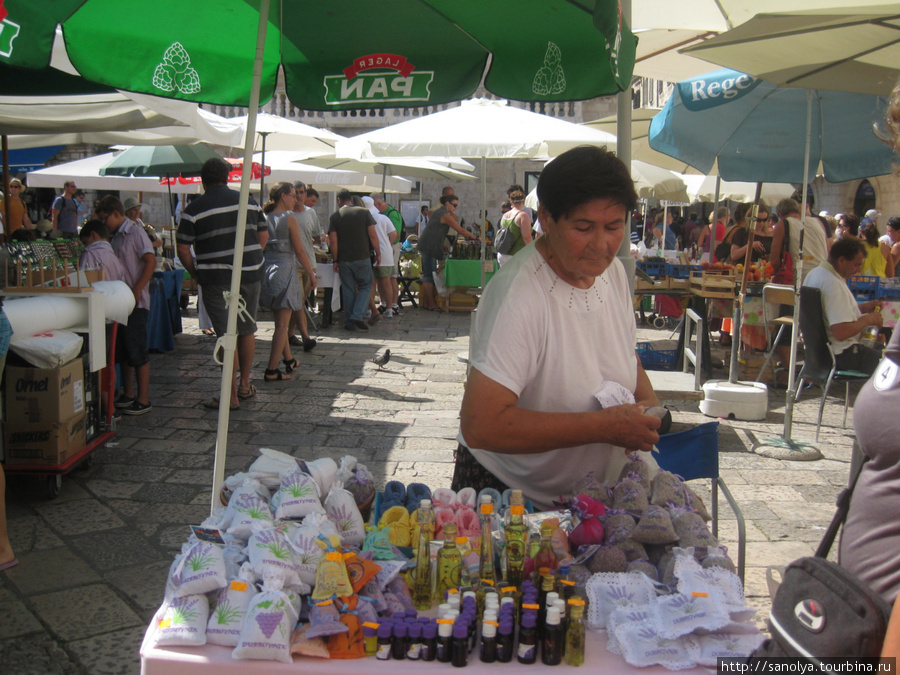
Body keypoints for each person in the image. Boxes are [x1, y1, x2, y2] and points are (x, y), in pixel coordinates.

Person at [452, 146, 662, 511]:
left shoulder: (611, 273)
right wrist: (603, 427)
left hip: (593, 494)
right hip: (512, 495)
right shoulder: (520, 294)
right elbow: (482, 424)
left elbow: (624, 355)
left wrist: (646, 406)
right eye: (583, 228)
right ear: (546, 219)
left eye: (614, 227)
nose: (601, 244)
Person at [177, 157, 268, 410]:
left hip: (215, 277)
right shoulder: (247, 200)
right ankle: (245, 385)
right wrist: (251, 258)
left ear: (203, 181)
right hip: (249, 273)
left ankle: (230, 396)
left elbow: (183, 247)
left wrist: (195, 272)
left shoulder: (194, 209)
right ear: (227, 178)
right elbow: (264, 234)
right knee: (247, 329)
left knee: (226, 335)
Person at [95, 195, 156, 416]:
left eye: (105, 219)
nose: (104, 224)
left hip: (135, 301)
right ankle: (129, 393)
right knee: (123, 349)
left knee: (137, 349)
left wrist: (138, 288)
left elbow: (150, 260)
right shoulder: (113, 236)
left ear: (115, 214)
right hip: (119, 301)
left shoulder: (135, 232)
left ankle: (143, 398)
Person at [259, 182, 317, 382]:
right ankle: (271, 370)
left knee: (279, 322)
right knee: (282, 326)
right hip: (285, 270)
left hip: (268, 271)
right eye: (293, 195)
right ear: (283, 196)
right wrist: (311, 274)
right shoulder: (289, 218)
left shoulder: (264, 217)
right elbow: (300, 251)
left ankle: (289, 359)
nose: (297, 198)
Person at [803, 237, 884, 375]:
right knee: (893, 362)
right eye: (856, 265)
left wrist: (862, 309)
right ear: (842, 261)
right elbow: (841, 332)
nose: (858, 271)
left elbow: (831, 314)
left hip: (820, 354)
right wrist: (868, 319)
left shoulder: (815, 274)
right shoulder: (833, 283)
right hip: (843, 355)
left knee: (886, 349)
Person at [328, 189, 380, 332]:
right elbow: (373, 235)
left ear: (339, 200)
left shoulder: (335, 216)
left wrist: (335, 259)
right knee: (365, 286)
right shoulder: (364, 212)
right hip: (362, 256)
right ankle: (357, 315)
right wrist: (378, 252)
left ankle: (350, 323)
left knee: (348, 290)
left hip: (344, 259)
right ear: (350, 199)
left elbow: (333, 240)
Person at [417, 194, 478, 311]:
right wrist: (475, 238)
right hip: (429, 246)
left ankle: (427, 302)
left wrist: (441, 244)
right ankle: (431, 303)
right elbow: (460, 229)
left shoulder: (440, 212)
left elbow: (435, 229)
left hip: (430, 244)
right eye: (454, 205)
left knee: (430, 273)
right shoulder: (444, 214)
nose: (455, 207)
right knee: (429, 275)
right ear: (447, 203)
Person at [286, 182, 319, 352]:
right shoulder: (287, 214)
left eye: (301, 192)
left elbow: (315, 235)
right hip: (293, 264)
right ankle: (306, 336)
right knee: (298, 302)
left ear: (305, 194)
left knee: (298, 303)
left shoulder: (311, 213)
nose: (298, 196)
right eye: (295, 193)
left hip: (310, 264)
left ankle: (289, 334)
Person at [364, 196, 398, 319]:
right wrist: (388, 244)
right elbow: (393, 234)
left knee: (370, 283)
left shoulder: (363, 218)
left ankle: (369, 309)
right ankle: (389, 309)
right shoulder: (383, 218)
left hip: (369, 253)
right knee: (386, 282)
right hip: (385, 253)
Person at [372, 193, 403, 316]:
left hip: (392, 247)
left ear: (378, 204)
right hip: (385, 249)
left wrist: (387, 246)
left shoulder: (392, 214)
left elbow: (396, 234)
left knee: (391, 277)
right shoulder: (381, 215)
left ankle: (394, 305)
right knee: (381, 277)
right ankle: (384, 303)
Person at [496, 189, 533, 266]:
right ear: (523, 202)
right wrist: (533, 252)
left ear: (511, 202)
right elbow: (526, 237)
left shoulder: (504, 216)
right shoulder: (523, 216)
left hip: (502, 254)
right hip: (516, 255)